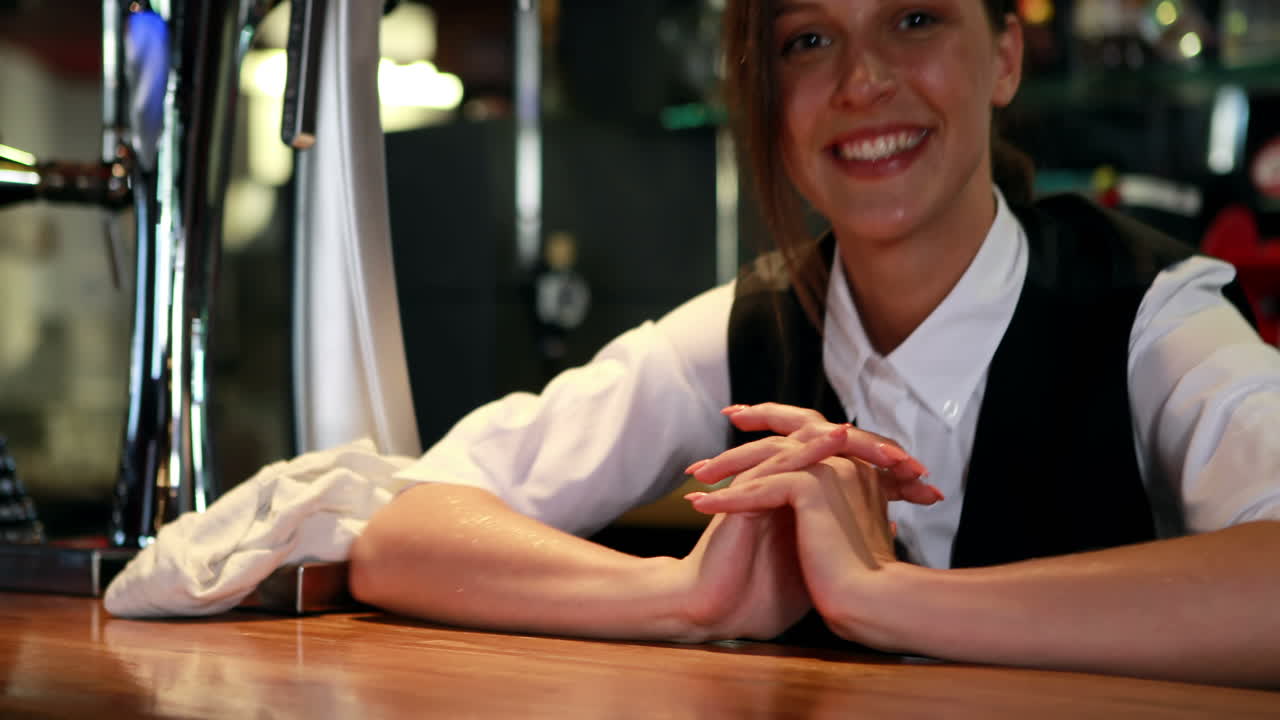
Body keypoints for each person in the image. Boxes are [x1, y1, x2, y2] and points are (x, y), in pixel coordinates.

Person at [350, 0, 1280, 688]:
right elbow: (404, 527)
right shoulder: (741, 326)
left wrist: (885, 598)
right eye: (809, 40)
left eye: (914, 19)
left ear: (1002, 57)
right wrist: (685, 600)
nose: (861, 81)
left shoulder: (1148, 313)